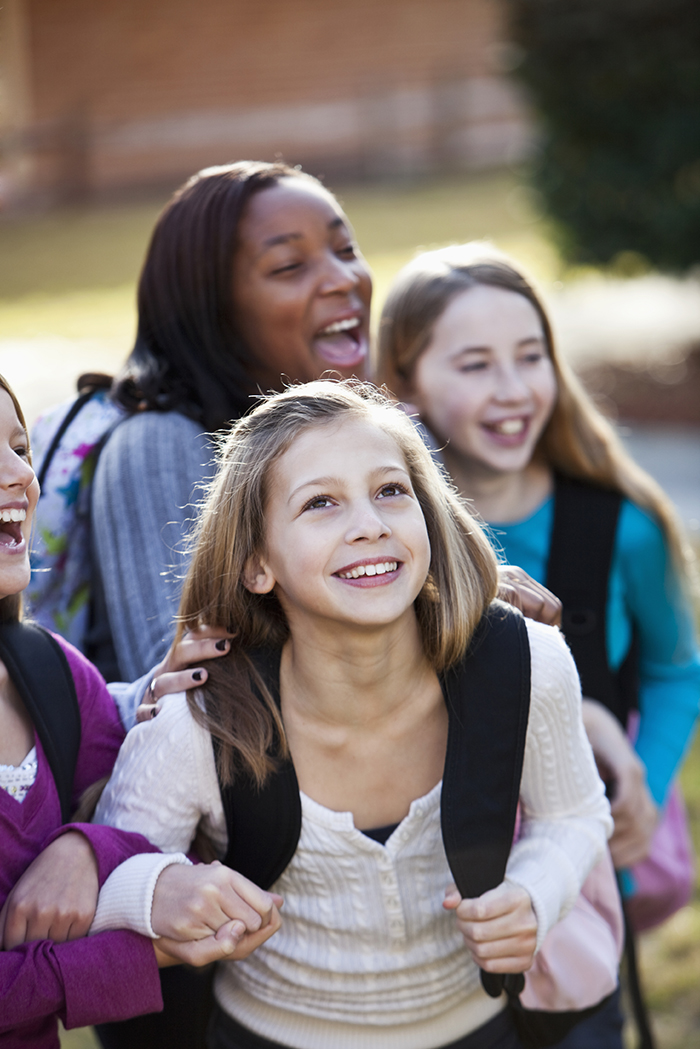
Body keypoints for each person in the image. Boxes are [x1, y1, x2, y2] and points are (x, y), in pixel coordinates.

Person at [93, 379, 612, 1049]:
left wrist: (537, 892)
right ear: (256, 564)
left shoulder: (528, 661)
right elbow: (108, 882)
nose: (370, 523)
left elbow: (574, 812)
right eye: (321, 502)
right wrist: (162, 887)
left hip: (485, 1027)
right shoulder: (201, 718)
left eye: (391, 490)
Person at [377, 243, 700, 1046]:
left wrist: (648, 793)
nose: (513, 387)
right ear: (405, 384)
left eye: (531, 356)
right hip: (433, 902)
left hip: (578, 883)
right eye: (476, 364)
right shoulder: (386, 539)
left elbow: (675, 670)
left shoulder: (622, 525)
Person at [0, 372, 283, 1048]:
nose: (17, 476)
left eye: (18, 447)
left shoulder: (50, 671)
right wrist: (142, 947)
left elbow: (134, 808)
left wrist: (82, 845)